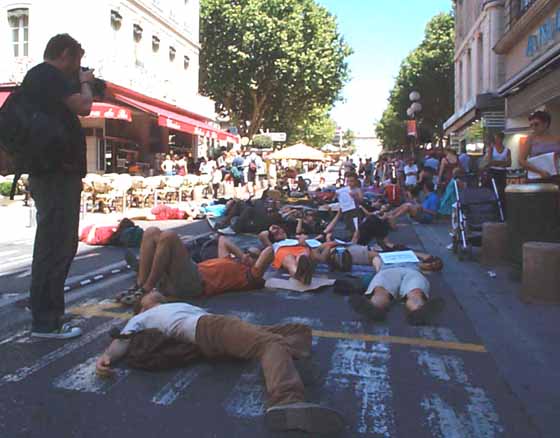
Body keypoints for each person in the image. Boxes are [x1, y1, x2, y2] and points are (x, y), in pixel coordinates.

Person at [97, 292, 344, 434]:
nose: (153, 291)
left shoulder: (173, 305)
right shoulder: (143, 316)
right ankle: (286, 401)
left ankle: (281, 363)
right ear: (143, 305)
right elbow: (123, 340)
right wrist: (107, 357)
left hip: (216, 326)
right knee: (270, 344)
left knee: (298, 330)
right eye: (148, 293)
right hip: (210, 328)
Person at [24, 34, 94, 339]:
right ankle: (46, 321)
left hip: (51, 173)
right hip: (55, 174)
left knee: (54, 243)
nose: (77, 69)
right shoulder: (48, 75)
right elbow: (85, 106)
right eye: (77, 61)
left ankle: (46, 313)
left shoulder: (40, 79)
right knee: (58, 245)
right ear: (66, 55)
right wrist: (86, 82)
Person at [118, 229, 274, 303]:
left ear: (257, 263)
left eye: (253, 256)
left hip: (196, 283)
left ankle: (146, 288)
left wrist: (251, 261)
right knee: (151, 232)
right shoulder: (229, 261)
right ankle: (139, 284)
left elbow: (269, 251)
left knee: (169, 236)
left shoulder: (250, 276)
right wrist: (241, 255)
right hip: (187, 274)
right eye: (248, 252)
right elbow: (222, 240)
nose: (248, 255)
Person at [348, 252, 445, 325]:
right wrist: (378, 269)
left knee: (415, 292)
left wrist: (411, 252)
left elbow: (428, 257)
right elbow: (376, 259)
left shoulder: (417, 261)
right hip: (388, 270)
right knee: (380, 290)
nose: (432, 265)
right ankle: (374, 309)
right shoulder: (382, 255)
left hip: (412, 271)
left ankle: (418, 312)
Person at [259, 225, 332, 285]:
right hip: (283, 250)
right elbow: (262, 235)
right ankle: (300, 275)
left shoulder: (295, 239)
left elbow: (320, 253)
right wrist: (272, 228)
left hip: (301, 248)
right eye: (275, 233)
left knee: (302, 257)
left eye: (280, 230)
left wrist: (305, 243)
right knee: (289, 259)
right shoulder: (274, 245)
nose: (278, 232)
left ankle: (304, 271)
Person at [518, 110, 560, 185]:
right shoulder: (530, 139)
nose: (533, 127)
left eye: (536, 124)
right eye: (531, 125)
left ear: (546, 124)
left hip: (556, 177)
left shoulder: (557, 139)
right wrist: (539, 171)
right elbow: (521, 160)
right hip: (537, 178)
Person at [484, 132, 511, 210]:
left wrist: (496, 163)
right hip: (493, 172)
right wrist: (502, 163)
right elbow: (489, 161)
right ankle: (493, 208)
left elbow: (509, 163)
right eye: (495, 138)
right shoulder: (491, 149)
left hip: (502, 172)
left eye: (497, 138)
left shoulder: (507, 150)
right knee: (492, 190)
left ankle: (502, 208)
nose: (496, 140)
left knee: (502, 190)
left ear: (501, 139)